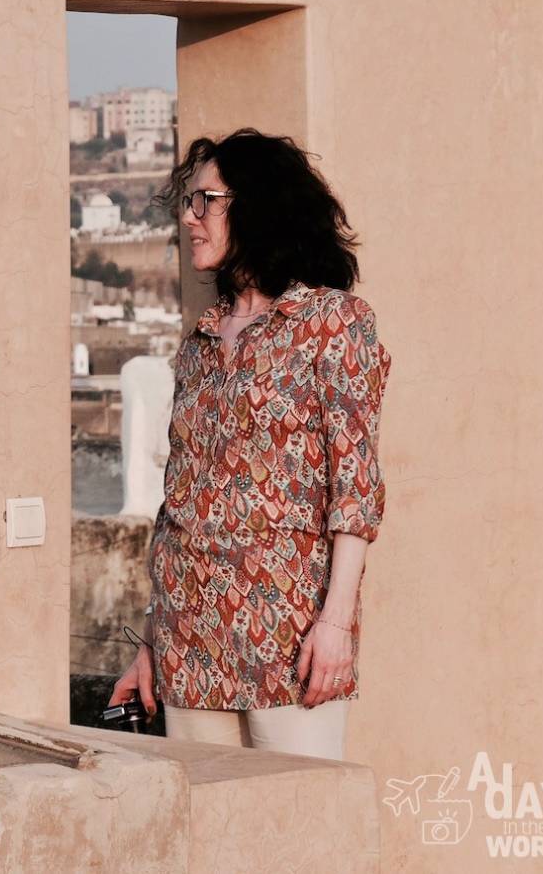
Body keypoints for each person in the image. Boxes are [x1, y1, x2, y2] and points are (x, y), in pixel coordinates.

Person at [109, 129, 392, 759]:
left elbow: (356, 493)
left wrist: (336, 624)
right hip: (190, 637)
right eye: (189, 201)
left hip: (289, 636)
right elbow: (179, 505)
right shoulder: (200, 342)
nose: (189, 216)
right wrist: (153, 637)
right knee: (208, 837)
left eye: (205, 200)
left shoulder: (332, 324)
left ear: (256, 205)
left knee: (300, 831)